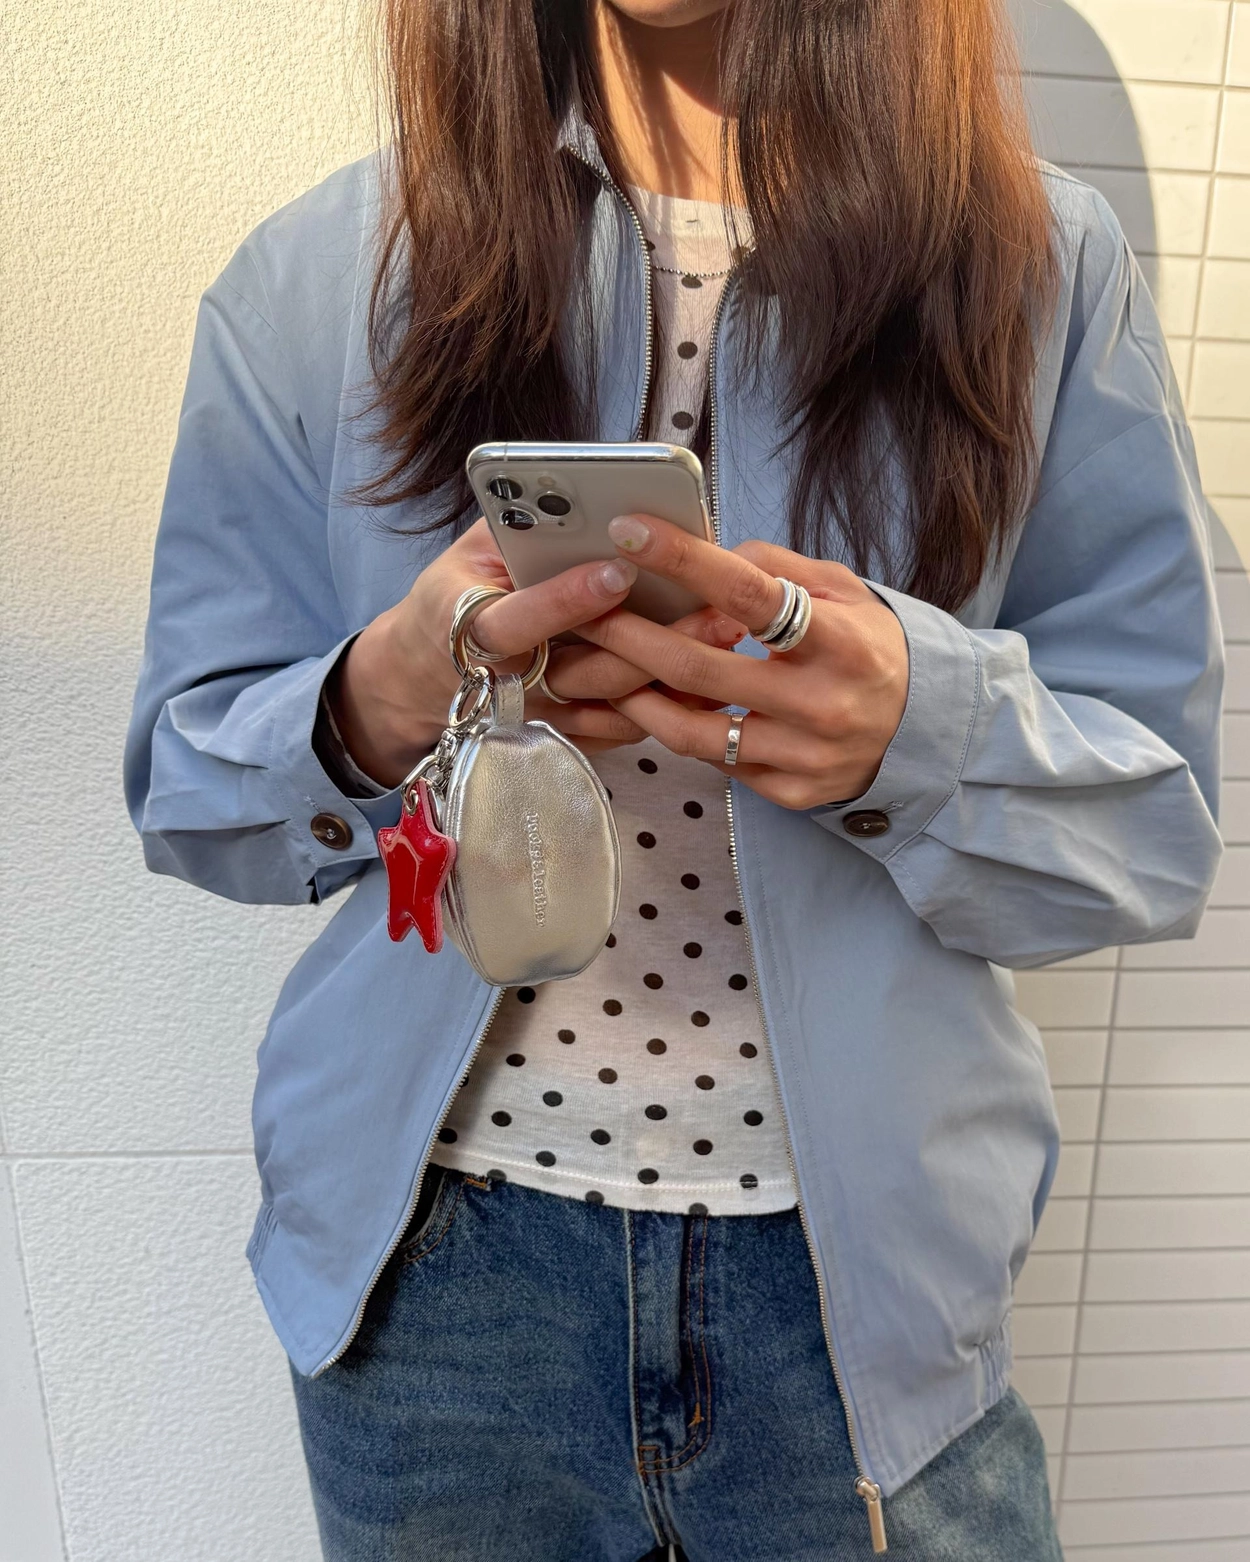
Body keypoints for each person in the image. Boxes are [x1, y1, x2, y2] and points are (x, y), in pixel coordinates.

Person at [125, 1, 1224, 1557]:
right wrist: (378, 702)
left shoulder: (1039, 273)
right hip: (435, 1285)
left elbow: (1155, 824)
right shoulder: (332, 269)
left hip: (855, 1299)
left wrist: (919, 733)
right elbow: (186, 787)